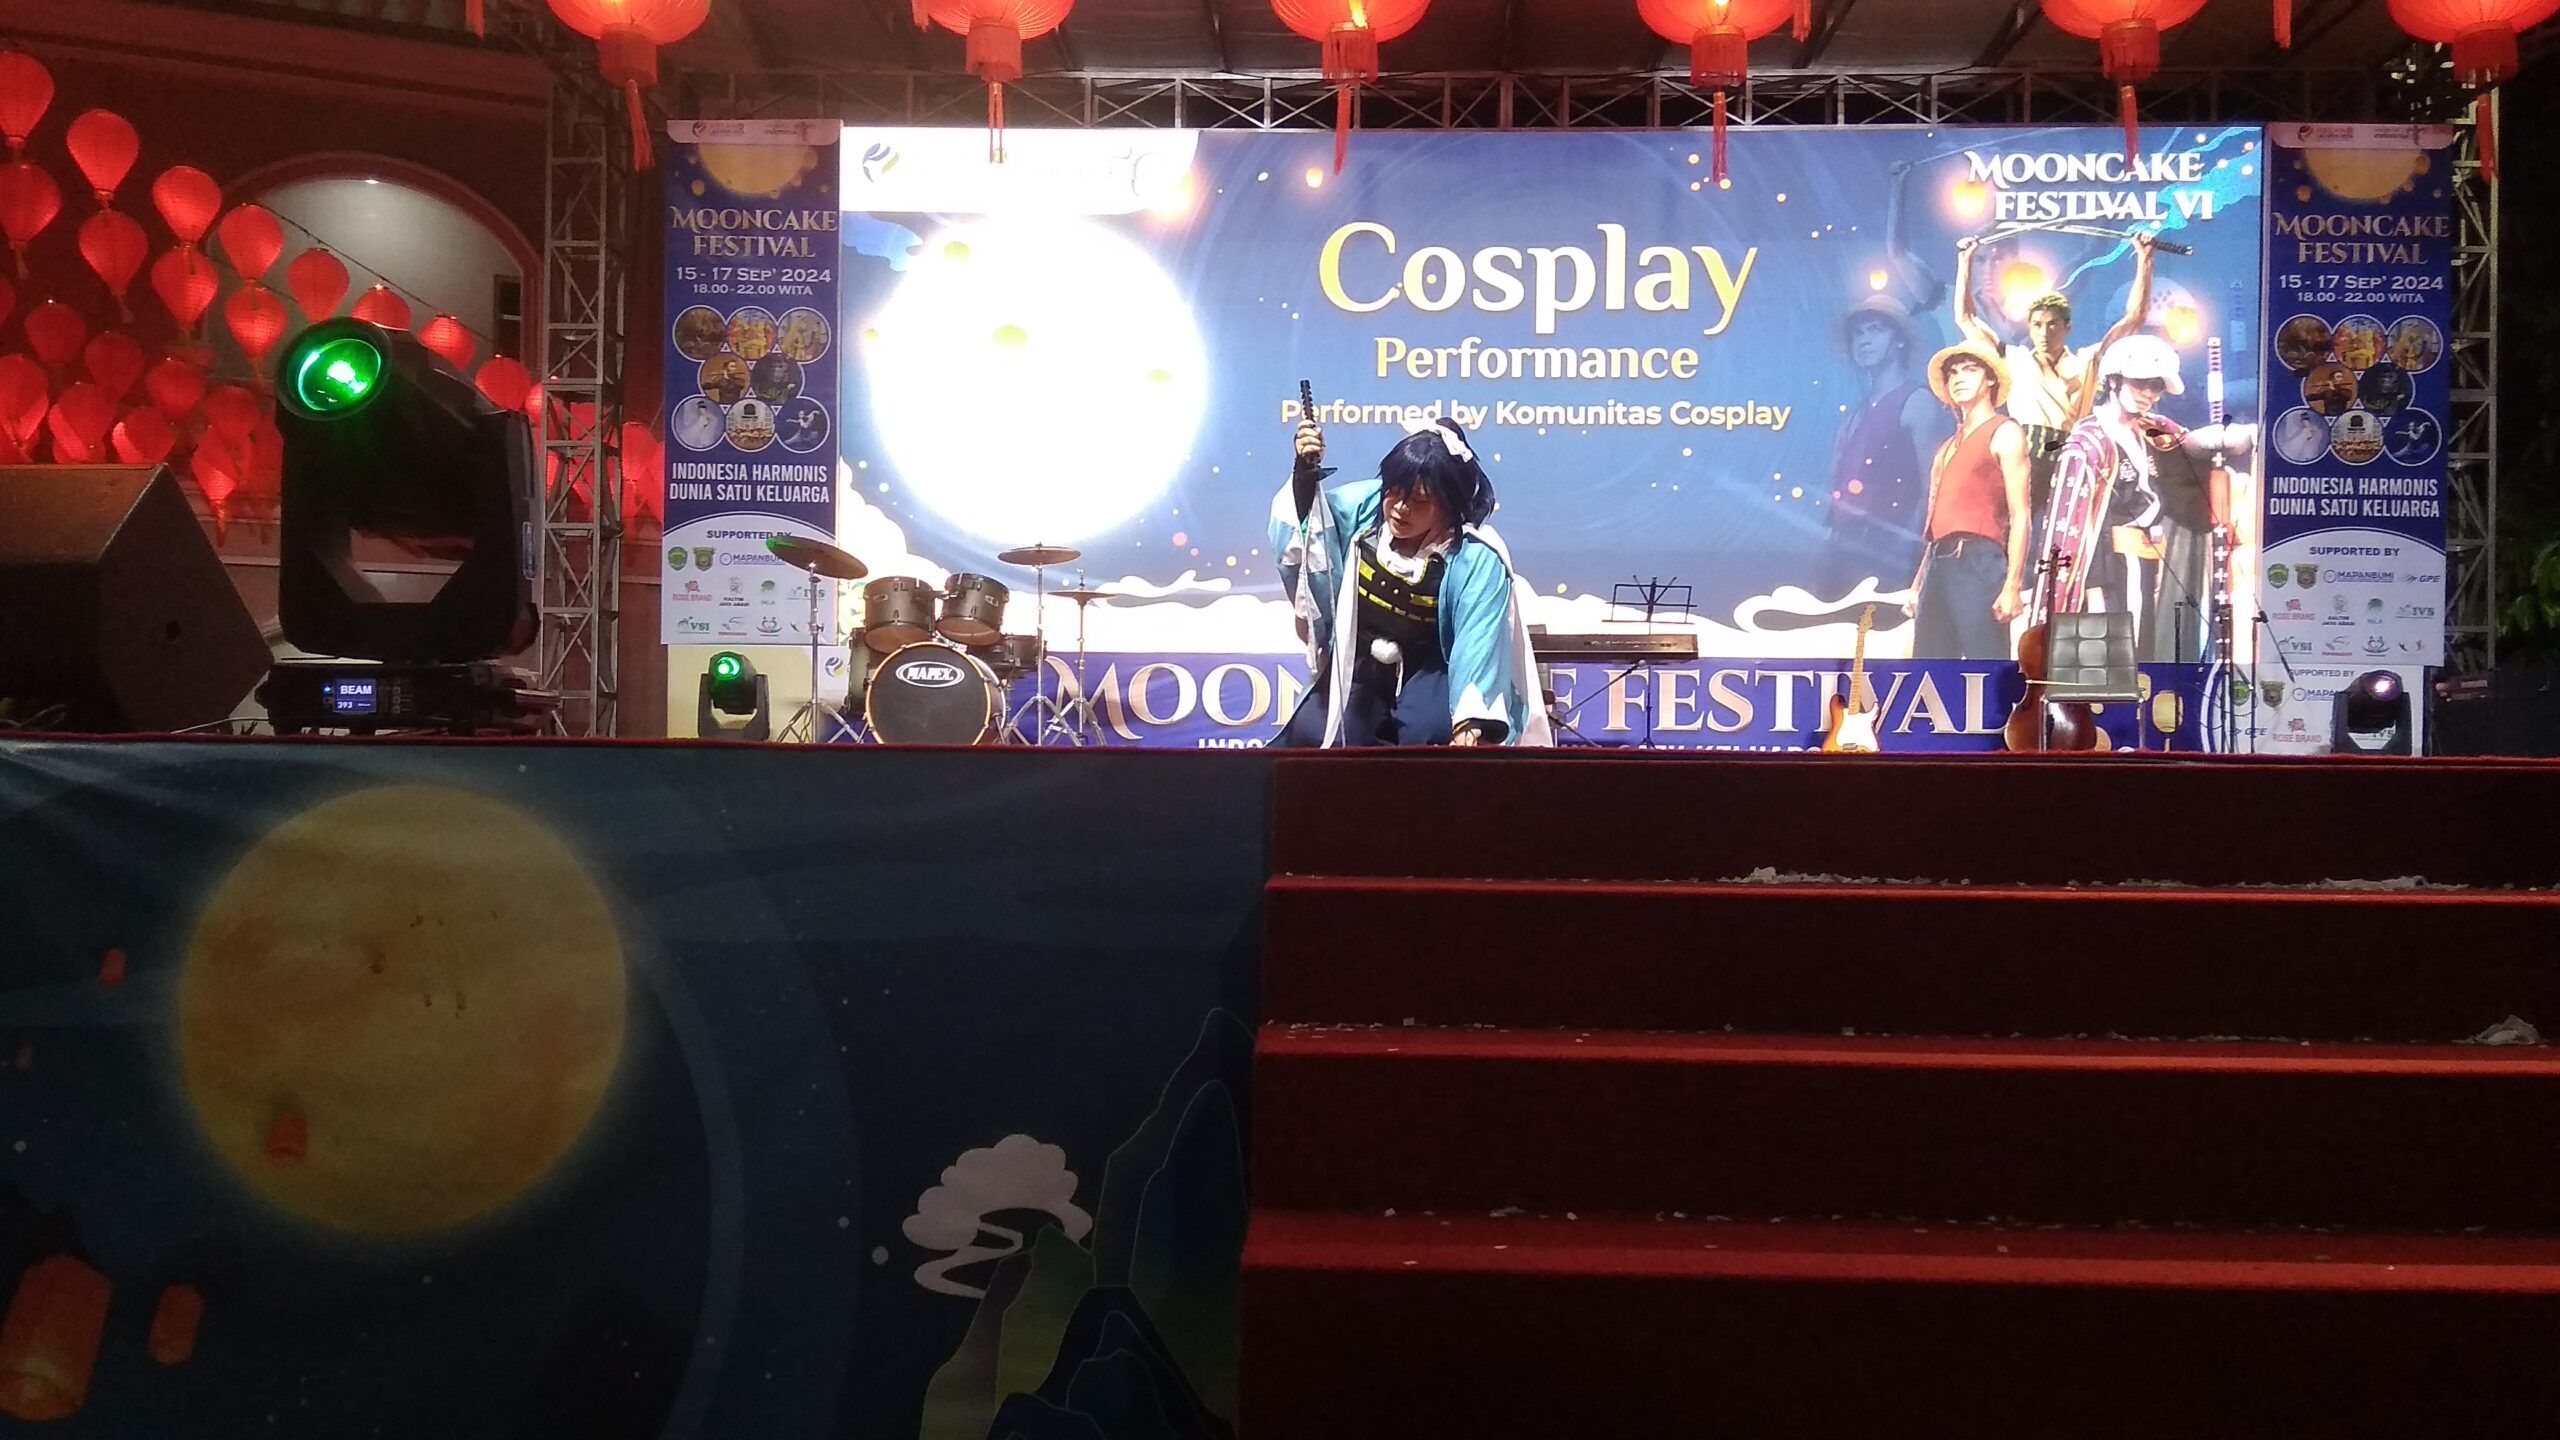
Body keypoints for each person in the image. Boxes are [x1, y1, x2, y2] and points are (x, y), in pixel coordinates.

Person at [1270, 415, 1547, 748]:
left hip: (1433, 667)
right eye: (1394, 491)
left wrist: (1470, 720)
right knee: (1319, 732)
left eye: (1420, 499)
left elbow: (1479, 641)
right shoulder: (1363, 510)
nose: (1400, 508)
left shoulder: (1475, 556)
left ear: (1449, 503)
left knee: (1428, 738)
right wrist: (1304, 475)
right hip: (1359, 660)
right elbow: (1313, 526)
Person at [1954, 231, 2157, 511]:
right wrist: (1965, 261)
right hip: (2023, 459)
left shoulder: (2088, 361)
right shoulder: (2015, 358)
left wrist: (2145, 259)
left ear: (2066, 328)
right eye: (2037, 325)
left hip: (2069, 459)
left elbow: (2134, 319)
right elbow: (1966, 318)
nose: (2044, 333)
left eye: (2052, 325)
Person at [1908, 342, 2032, 660]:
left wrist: (2013, 585)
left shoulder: (2004, 431)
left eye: (1970, 369)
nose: (1958, 378)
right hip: (1939, 560)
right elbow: (1935, 524)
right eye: (1952, 373)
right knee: (1929, 665)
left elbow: (2020, 513)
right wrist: (1918, 583)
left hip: (1978, 558)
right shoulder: (1946, 448)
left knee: (1984, 660)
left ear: (1990, 379)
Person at [1821, 293, 1944, 598]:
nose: (1864, 341)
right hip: (1843, 553)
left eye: (1876, 330)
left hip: (1892, 556)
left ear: (1899, 340)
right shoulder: (1855, 415)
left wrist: (1917, 554)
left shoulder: (1916, 401)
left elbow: (1932, 487)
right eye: (1858, 334)